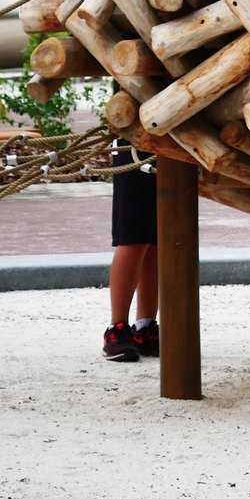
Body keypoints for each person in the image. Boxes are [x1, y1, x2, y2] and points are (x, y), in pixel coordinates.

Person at [102, 141, 159, 363]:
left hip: (166, 141)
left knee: (155, 241)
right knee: (132, 237)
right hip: (134, 143)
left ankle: (145, 325)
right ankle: (116, 327)